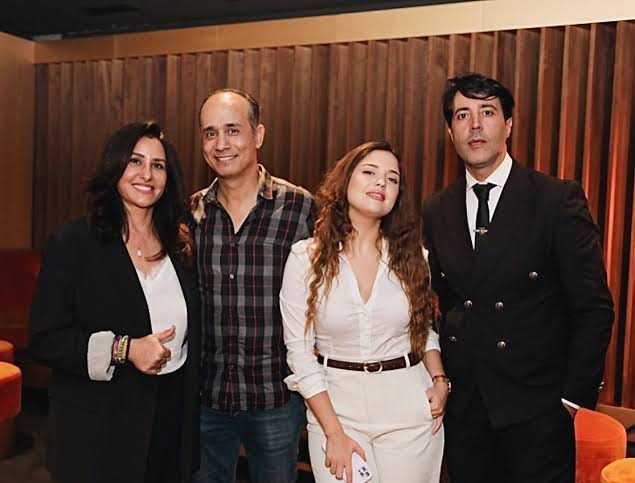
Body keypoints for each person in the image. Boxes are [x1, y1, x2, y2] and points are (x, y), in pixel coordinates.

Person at [421, 73, 614, 483]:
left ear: (508, 124)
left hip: (538, 410)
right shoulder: (437, 210)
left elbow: (593, 307)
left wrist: (571, 400)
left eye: (487, 112)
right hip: (468, 412)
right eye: (462, 115)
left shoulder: (555, 199)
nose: (475, 125)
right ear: (450, 131)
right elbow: (448, 302)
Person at [28, 121, 200, 483]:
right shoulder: (73, 243)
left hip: (170, 421)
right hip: (99, 429)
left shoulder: (180, 243)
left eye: (157, 165)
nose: (146, 174)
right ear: (114, 166)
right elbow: (44, 339)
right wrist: (125, 349)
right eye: (135, 161)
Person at [281, 141, 448, 482]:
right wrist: (334, 432)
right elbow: (299, 353)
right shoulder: (304, 259)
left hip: (409, 409)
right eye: (370, 172)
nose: (381, 182)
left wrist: (439, 379)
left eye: (392, 179)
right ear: (346, 181)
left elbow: (424, 330)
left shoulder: (415, 259)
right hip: (337, 411)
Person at [190, 88, 313, 483]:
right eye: (210, 133)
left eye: (232, 130)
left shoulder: (300, 208)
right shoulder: (190, 213)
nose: (221, 144)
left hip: (275, 397)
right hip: (207, 396)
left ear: (258, 134)